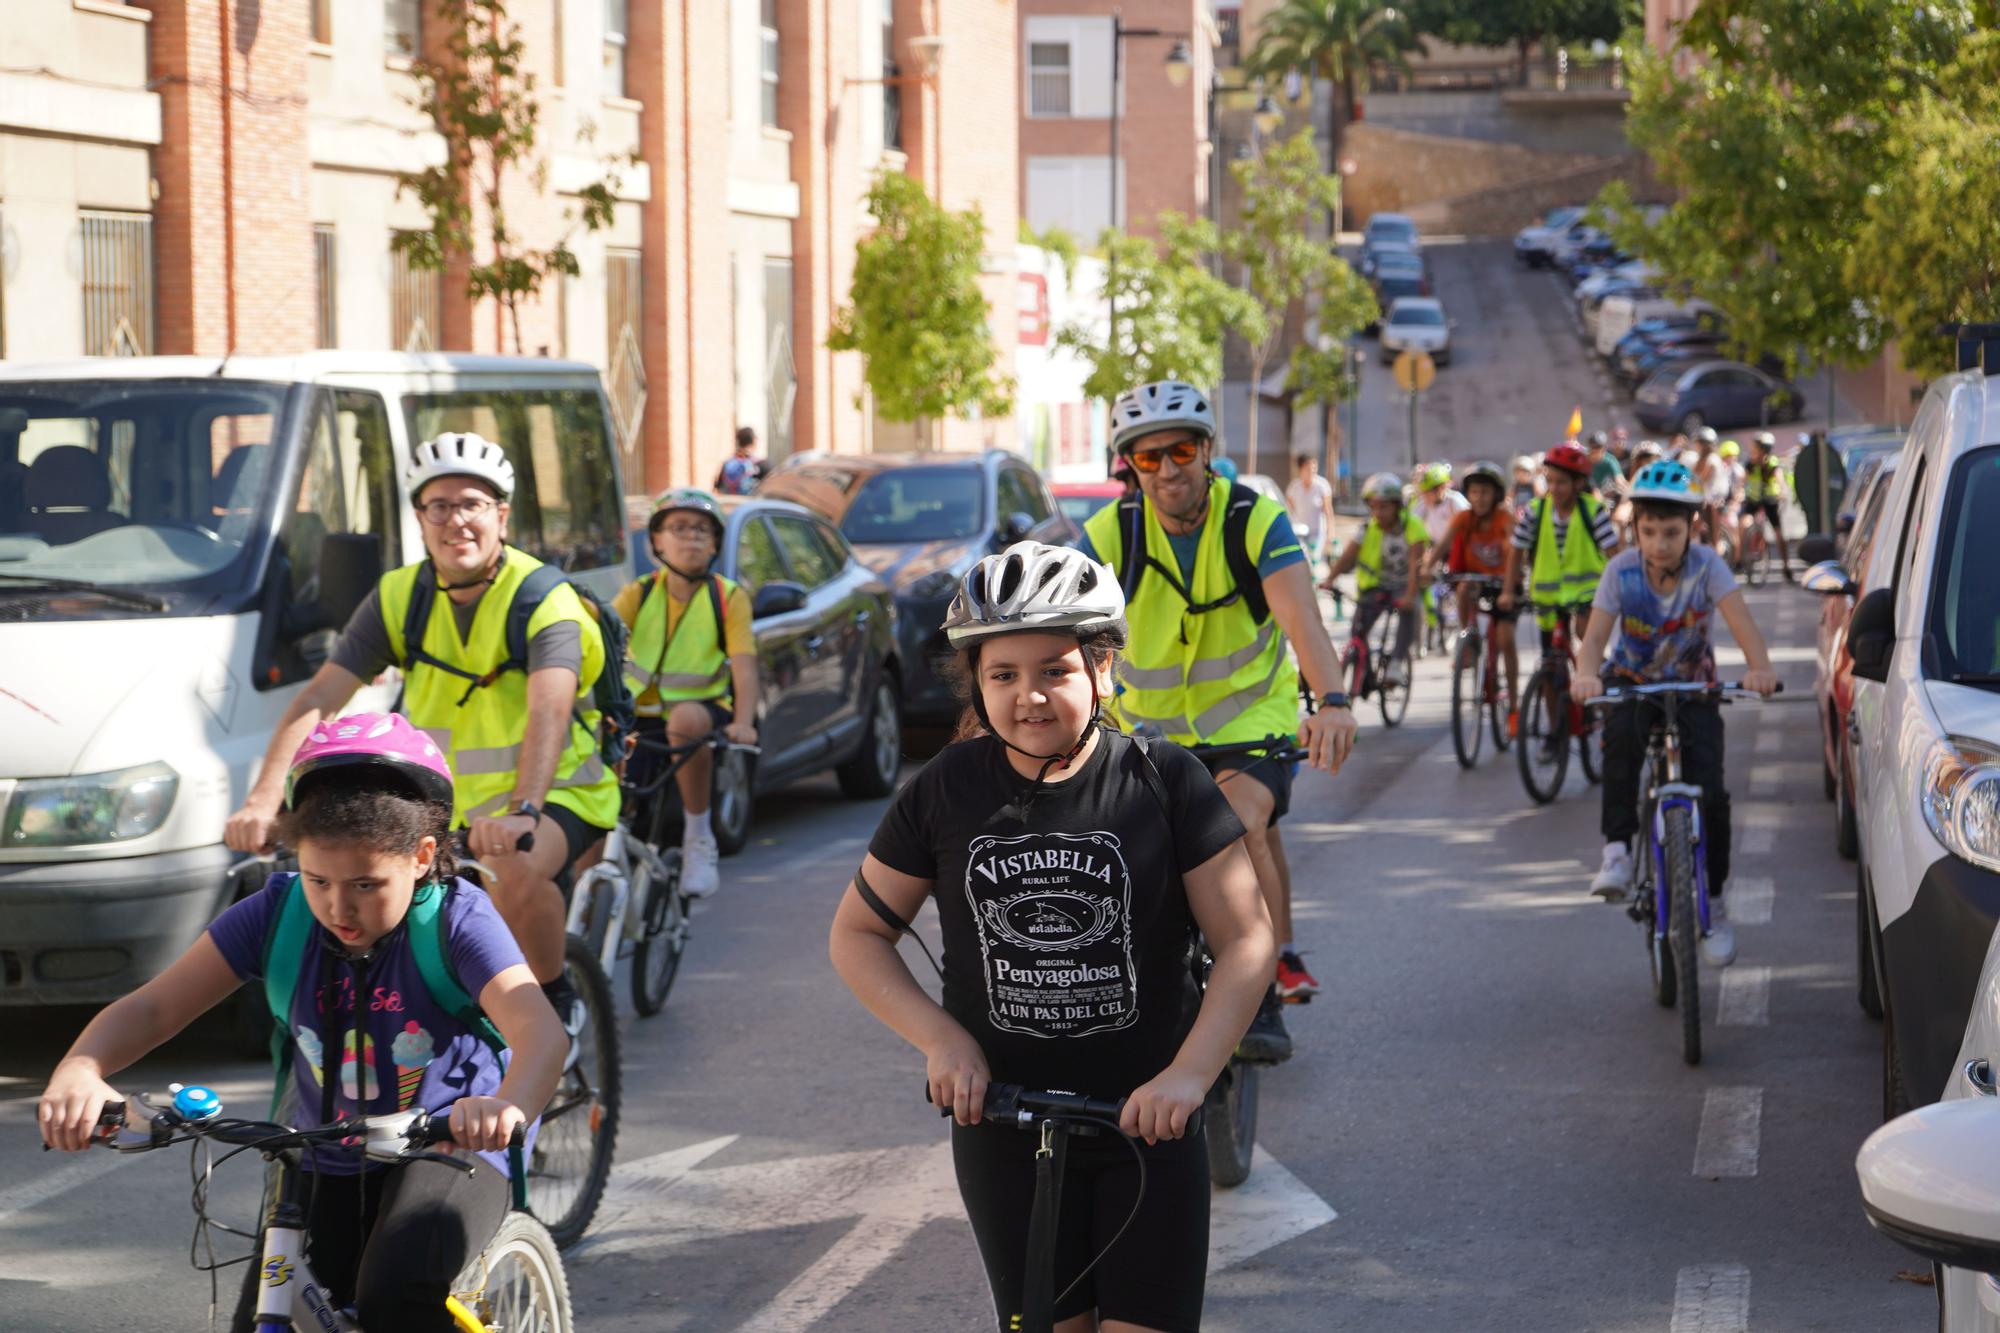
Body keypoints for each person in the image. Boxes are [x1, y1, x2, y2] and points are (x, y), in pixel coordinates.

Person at [828, 542, 1274, 1333]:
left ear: (1103, 670)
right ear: (978, 682)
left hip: (1147, 1124)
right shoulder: (945, 788)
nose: (1028, 695)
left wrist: (1189, 1077)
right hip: (1004, 1127)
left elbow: (1246, 939)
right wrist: (942, 1041)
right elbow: (859, 933)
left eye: (1054, 670)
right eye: (1003, 674)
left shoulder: (1166, 781)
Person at [41, 714, 566, 1332]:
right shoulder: (276, 914)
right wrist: (81, 1068)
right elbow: (155, 1007)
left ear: (423, 857)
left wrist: (505, 1107)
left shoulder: (457, 920)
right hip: (324, 1151)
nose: (339, 908)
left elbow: (540, 1031)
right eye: (319, 880)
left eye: (367, 884)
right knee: (277, 1315)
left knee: (395, 1295)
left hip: (450, 1143)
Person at [224, 432, 620, 1038]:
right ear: (419, 517)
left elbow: (549, 712)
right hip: (442, 803)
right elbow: (317, 698)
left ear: (501, 515)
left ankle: (550, 1002)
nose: (455, 520)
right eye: (439, 505)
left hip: (558, 792)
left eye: (472, 504)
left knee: (515, 868)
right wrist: (262, 798)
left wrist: (525, 811)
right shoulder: (399, 595)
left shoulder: (546, 601)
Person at [1077, 380, 1357, 1058]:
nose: (1168, 469)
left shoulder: (1254, 520)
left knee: (1236, 823)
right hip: (1144, 731)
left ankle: (1259, 990)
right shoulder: (1108, 535)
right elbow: (1069, 642)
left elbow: (1302, 620)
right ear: (1130, 467)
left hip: (1250, 721)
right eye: (1148, 458)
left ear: (1206, 450)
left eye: (1180, 451)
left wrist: (1334, 700)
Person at [1572, 461, 1780, 964]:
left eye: (1671, 532)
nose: (1659, 543)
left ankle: (1712, 905)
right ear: (1635, 530)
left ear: (1693, 528)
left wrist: (1760, 669)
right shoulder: (1620, 571)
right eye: (1648, 532)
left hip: (1693, 686)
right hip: (1634, 682)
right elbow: (1597, 637)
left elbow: (1742, 623)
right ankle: (1618, 853)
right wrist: (1586, 674)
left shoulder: (1708, 565)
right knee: (1619, 746)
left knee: (1711, 790)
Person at [613, 488, 760, 897]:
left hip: (700, 714)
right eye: (678, 528)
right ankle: (606, 859)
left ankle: (699, 838)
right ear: (655, 541)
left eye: (701, 529)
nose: (691, 537)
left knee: (686, 718)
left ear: (715, 543)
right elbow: (599, 646)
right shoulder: (637, 594)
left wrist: (744, 723)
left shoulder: (727, 596)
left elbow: (744, 666)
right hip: (637, 716)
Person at [1498, 442, 1619, 758]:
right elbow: (1516, 551)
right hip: (1547, 598)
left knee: (1584, 639)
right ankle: (1555, 732)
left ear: (1579, 483)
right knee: (1551, 666)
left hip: (1588, 594)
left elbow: (1614, 555)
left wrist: (1622, 590)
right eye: (1549, 481)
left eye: (1562, 482)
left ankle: (1605, 691)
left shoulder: (1592, 511)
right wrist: (1509, 591)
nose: (1554, 488)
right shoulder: (1536, 511)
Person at [1425, 460, 1520, 715]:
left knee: (1505, 639)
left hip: (1505, 583)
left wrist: (1510, 590)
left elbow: (1515, 553)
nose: (1479, 498)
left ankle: (1513, 704)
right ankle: (1468, 638)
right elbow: (1443, 544)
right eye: (1475, 492)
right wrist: (1427, 567)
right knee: (1464, 587)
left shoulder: (1504, 518)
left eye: (1485, 492)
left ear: (1496, 494)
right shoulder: (1463, 517)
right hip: (1476, 580)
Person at [1325, 471, 1428, 687]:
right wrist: (1329, 579)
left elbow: (1415, 565)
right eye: (1373, 507)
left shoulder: (1412, 526)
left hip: (1403, 583)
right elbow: (1347, 556)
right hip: (1376, 585)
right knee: (1358, 629)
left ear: (1396, 506)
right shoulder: (1367, 528)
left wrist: (1409, 595)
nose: (1378, 512)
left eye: (1384, 507)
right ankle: (1364, 670)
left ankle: (1396, 664)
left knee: (1411, 610)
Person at [1738, 432, 1793, 580]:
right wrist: (1740, 492)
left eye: (1755, 449)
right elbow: (1743, 480)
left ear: (1763, 450)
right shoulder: (1750, 463)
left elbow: (1780, 479)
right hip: (1754, 499)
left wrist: (1782, 491)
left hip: (1770, 500)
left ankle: (1786, 566)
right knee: (1743, 523)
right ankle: (1739, 559)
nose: (1752, 452)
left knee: (1778, 533)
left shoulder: (1773, 464)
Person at [1285, 452, 1336, 571]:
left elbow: (1328, 511)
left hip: (1317, 533)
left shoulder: (1322, 486)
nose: (1312, 471)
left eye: (1314, 468)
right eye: (1308, 468)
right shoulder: (1294, 488)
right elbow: (1288, 512)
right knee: (1301, 562)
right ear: (1301, 469)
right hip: (1300, 533)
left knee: (1313, 561)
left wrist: (1331, 533)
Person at [714, 426, 765, 496]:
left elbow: (718, 490)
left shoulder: (727, 464)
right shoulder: (762, 465)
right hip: (751, 506)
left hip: (731, 506)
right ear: (754, 441)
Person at [1588, 430, 1624, 497]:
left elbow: (1620, 480)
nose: (1595, 450)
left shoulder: (1610, 461)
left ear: (1604, 448)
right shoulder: (1583, 458)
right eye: (1593, 447)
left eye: (1598, 447)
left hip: (1603, 495)